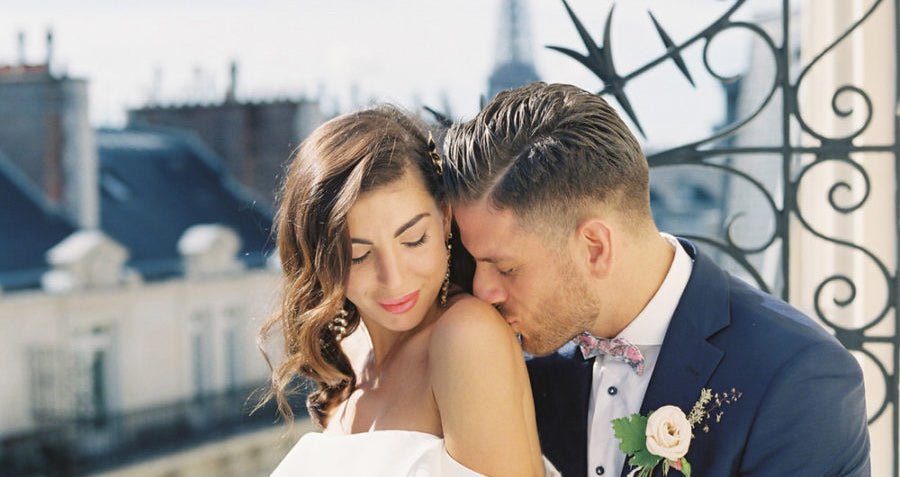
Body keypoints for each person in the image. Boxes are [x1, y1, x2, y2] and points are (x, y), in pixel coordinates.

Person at [443, 82, 871, 477]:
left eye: (506, 268)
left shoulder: (798, 379)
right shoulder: (509, 368)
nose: (484, 290)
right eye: (475, 263)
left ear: (595, 247)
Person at [260, 105, 559, 476]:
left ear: (445, 218)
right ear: (321, 260)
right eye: (359, 255)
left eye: (414, 240)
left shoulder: (465, 335)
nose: (394, 279)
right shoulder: (347, 353)